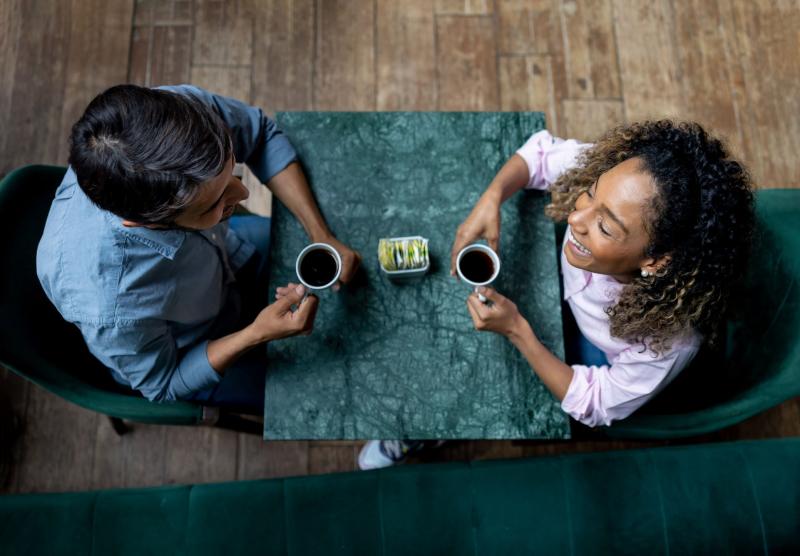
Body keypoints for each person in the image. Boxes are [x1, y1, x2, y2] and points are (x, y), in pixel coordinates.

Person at [359, 120, 754, 469]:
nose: (575, 218)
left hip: (592, 355)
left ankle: (430, 431)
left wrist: (517, 330)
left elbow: (597, 405)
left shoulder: (666, 344)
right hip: (555, 294)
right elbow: (541, 154)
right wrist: (493, 196)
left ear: (655, 262)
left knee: (486, 394)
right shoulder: (618, 186)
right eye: (591, 193)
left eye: (606, 226)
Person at [36, 84, 360, 413]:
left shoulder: (177, 118)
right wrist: (255, 334)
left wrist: (320, 233)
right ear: (149, 222)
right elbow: (164, 383)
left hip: (227, 253)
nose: (244, 195)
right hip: (201, 343)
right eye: (213, 204)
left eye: (231, 168)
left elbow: (259, 134)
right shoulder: (109, 306)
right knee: (333, 398)